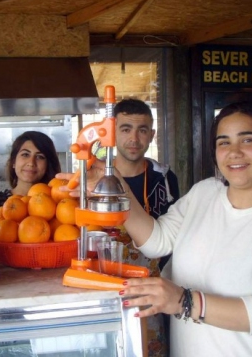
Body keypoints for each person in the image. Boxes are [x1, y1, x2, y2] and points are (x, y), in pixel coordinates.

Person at [61, 101, 252, 357]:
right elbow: (157, 240)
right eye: (223, 142)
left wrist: (183, 301)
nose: (234, 152)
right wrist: (116, 187)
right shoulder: (205, 193)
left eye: (248, 140)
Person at [112, 98, 180, 357]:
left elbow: (174, 231)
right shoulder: (97, 177)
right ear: (112, 131)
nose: (134, 138)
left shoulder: (163, 178)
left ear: (151, 135)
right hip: (107, 283)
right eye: (126, 128)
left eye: (142, 130)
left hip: (154, 285)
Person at [0, 131, 61, 214]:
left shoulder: (58, 204)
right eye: (25, 155)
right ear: (13, 162)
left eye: (40, 157)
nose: (31, 163)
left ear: (48, 165)